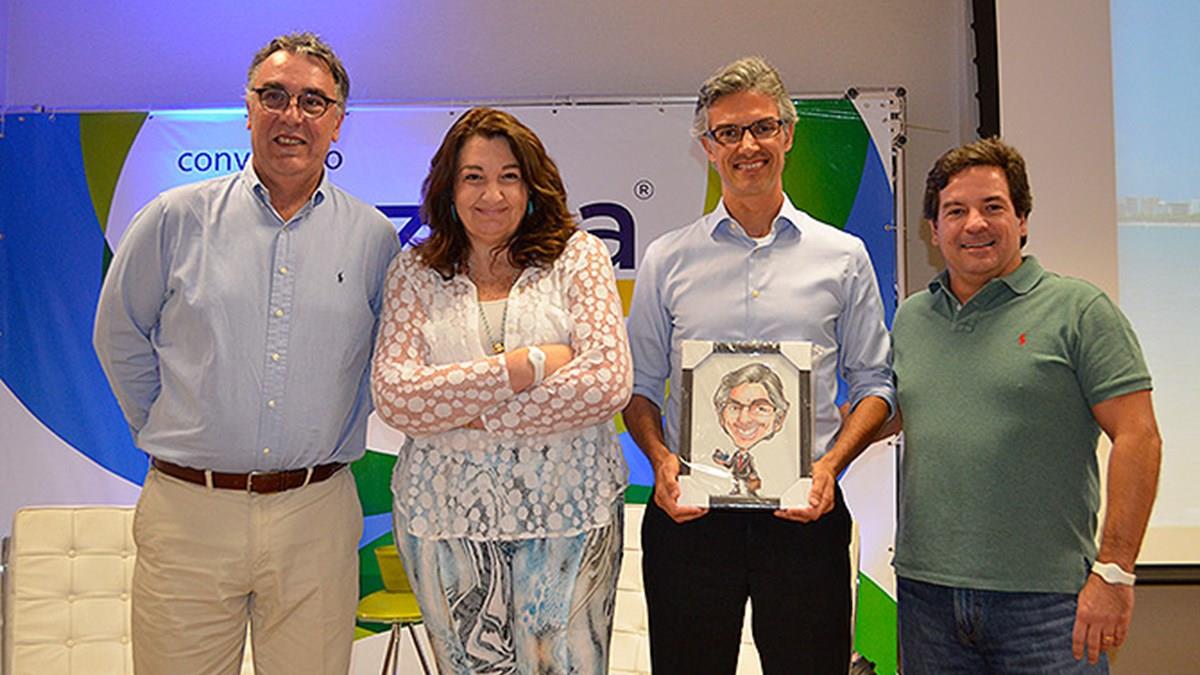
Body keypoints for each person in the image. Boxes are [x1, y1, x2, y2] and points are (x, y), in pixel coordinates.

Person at [93, 32, 400, 675]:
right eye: (275, 96)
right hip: (190, 513)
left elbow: (385, 358)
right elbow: (119, 336)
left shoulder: (373, 239)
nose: (293, 115)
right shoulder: (174, 218)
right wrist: (176, 429)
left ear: (338, 121)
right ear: (249, 107)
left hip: (316, 512)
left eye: (313, 101)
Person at [623, 56, 894, 674]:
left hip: (806, 516)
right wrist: (661, 461)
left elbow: (876, 384)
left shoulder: (843, 257)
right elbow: (638, 387)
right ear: (707, 147)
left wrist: (829, 467)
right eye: (728, 132)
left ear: (787, 134)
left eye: (762, 127)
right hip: (691, 517)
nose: (747, 145)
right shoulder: (667, 259)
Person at [370, 107, 633, 674]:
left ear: (532, 186)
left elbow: (606, 381)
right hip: (444, 519)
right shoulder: (415, 272)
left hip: (569, 514)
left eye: (509, 176)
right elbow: (396, 396)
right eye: (474, 177)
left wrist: (471, 414)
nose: (492, 194)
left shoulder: (578, 257)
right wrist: (526, 366)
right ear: (449, 188)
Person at [892, 137, 1163, 673]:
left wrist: (1114, 570)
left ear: (1022, 221)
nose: (975, 223)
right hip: (927, 600)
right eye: (956, 211)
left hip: (1048, 605)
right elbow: (891, 411)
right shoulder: (911, 318)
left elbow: (1140, 437)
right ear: (933, 230)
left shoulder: (1080, 310)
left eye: (993, 207)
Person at [710, 363, 789, 497]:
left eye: (760, 408)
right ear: (721, 415)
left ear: (779, 419)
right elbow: (730, 464)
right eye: (734, 407)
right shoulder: (737, 455)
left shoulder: (782, 467)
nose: (744, 419)